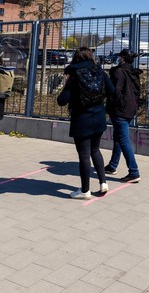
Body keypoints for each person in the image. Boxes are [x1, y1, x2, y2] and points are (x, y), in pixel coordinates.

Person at [57, 47, 113, 199]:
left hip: (81, 120)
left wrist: (67, 86)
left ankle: (85, 191)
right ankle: (103, 183)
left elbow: (62, 101)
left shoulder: (74, 76)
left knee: (84, 155)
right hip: (99, 118)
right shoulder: (100, 72)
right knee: (95, 150)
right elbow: (112, 91)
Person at [105, 49, 141, 183]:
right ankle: (112, 165)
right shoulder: (133, 72)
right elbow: (137, 91)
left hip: (120, 110)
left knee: (123, 139)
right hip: (130, 108)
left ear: (123, 59)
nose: (117, 58)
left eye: (119, 57)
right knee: (118, 137)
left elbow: (114, 90)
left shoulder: (118, 71)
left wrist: (114, 104)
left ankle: (134, 171)